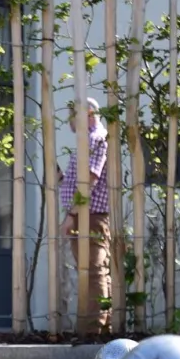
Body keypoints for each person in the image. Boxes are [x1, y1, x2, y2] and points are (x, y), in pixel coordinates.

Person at [59, 98, 111, 330]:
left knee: (93, 272)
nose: (69, 119)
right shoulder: (87, 141)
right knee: (93, 271)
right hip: (85, 214)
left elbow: (89, 181)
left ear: (88, 114)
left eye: (72, 113)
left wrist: (71, 214)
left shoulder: (96, 139)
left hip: (90, 216)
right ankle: (98, 327)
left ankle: (94, 329)